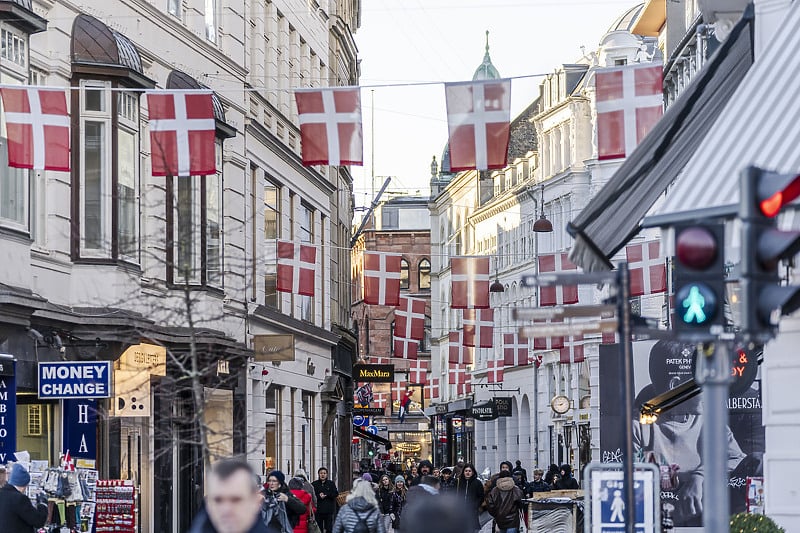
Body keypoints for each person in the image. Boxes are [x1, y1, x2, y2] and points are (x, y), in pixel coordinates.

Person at [0, 464, 48, 533]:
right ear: (24, 485)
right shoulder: (20, 499)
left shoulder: (2, 494)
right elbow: (38, 521)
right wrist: (42, 503)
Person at [454, 463, 484, 533]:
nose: (467, 473)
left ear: (473, 472)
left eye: (469, 471)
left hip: (472, 512)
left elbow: (481, 496)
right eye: (466, 471)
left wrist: (475, 505)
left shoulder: (477, 483)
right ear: (463, 472)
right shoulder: (458, 482)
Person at [312, 467, 339, 533]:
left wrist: (327, 495)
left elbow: (335, 493)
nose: (322, 475)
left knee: (329, 528)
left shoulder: (331, 483)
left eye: (324, 473)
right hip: (318, 510)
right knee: (319, 528)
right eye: (321, 473)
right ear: (318, 474)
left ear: (327, 474)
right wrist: (319, 496)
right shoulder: (314, 484)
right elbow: (312, 495)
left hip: (328, 510)